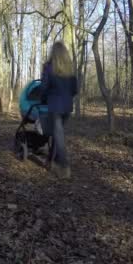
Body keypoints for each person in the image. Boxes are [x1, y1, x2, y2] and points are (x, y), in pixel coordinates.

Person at [40, 42, 78, 179]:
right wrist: (67, 97)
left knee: (58, 137)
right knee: (58, 136)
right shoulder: (70, 69)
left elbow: (44, 87)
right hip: (67, 107)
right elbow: (75, 90)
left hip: (55, 106)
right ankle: (52, 161)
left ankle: (64, 166)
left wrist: (43, 99)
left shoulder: (48, 67)